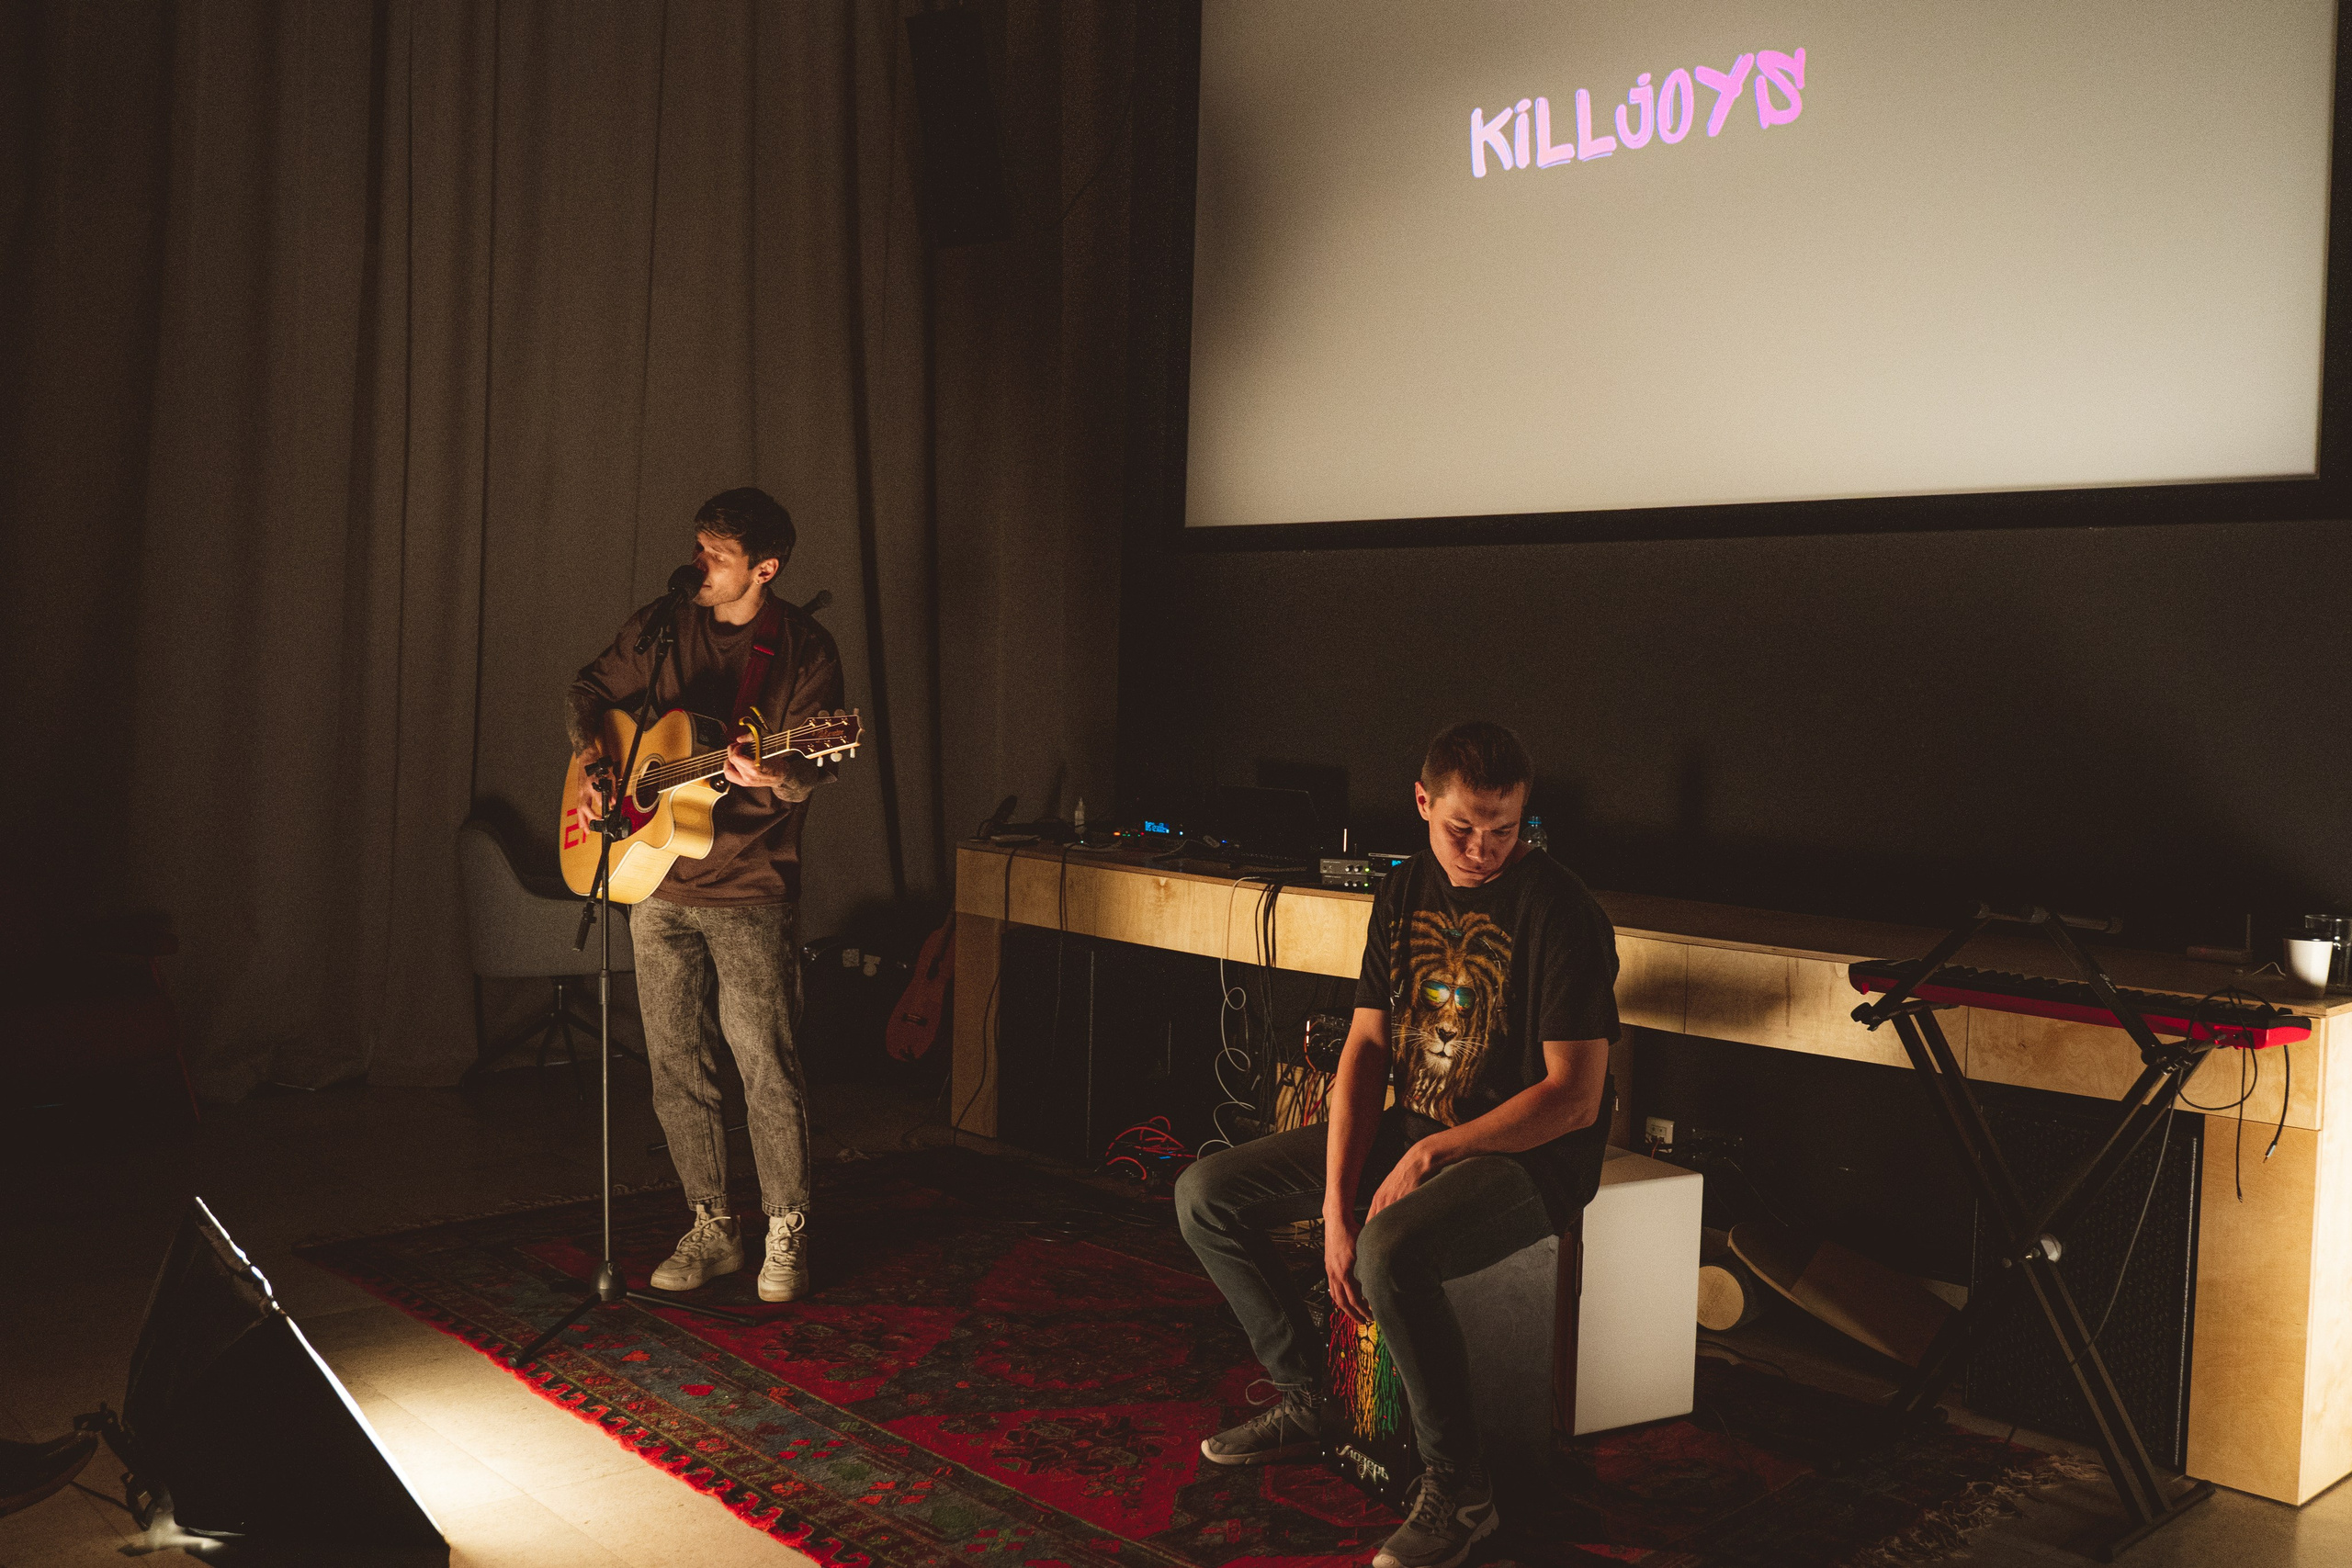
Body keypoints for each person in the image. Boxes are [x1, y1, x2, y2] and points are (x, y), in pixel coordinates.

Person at [1175, 720, 1619, 1568]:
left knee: (1390, 1252)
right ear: (1422, 802)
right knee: (1205, 1194)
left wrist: (1429, 1156)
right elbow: (1367, 1050)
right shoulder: (1407, 887)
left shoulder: (1563, 912)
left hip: (1530, 1160)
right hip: (1419, 1129)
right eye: (1463, 827)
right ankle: (1312, 1401)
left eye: (1505, 828)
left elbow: (1575, 1097)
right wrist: (1337, 1204)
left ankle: (1464, 1491)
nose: (1483, 849)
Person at [566, 487, 843, 1303]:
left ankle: (787, 1226)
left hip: (752, 882)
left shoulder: (803, 648)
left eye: (715, 558)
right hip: (654, 877)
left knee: (765, 1061)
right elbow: (588, 690)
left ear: (765, 568)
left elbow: (808, 775)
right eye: (698, 548)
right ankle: (712, 1224)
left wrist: (779, 768)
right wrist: (593, 765)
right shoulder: (662, 625)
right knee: (674, 1061)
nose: (699, 567)